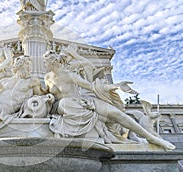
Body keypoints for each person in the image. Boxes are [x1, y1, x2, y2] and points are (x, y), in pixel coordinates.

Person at [43, 51, 175, 150]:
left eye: (45, 62)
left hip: (82, 102)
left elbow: (92, 87)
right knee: (66, 104)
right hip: (64, 105)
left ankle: (152, 138)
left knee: (117, 114)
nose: (43, 64)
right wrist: (47, 97)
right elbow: (46, 92)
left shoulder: (70, 75)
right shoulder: (47, 77)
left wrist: (117, 85)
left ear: (54, 61)